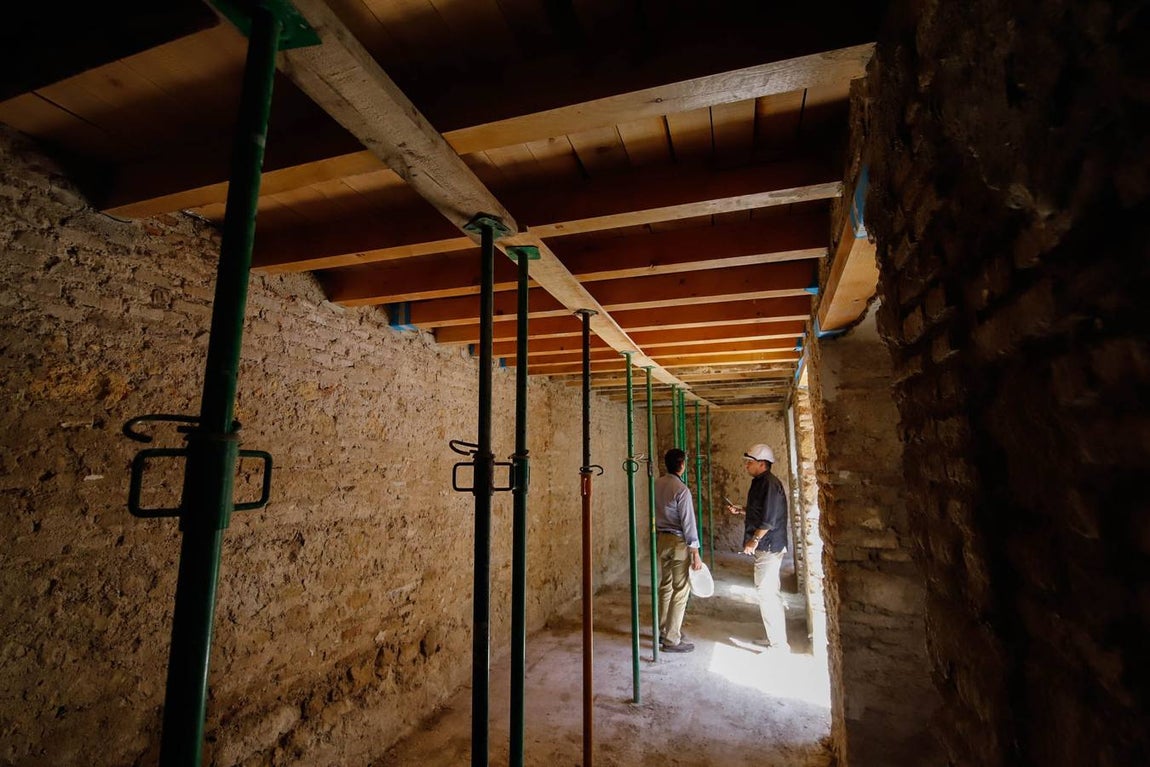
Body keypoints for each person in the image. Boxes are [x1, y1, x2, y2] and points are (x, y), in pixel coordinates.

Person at [727, 443, 790, 653]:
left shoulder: (770, 485)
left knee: (768, 593)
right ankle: (774, 639)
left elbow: (769, 520)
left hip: (770, 546)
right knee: (767, 592)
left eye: (750, 463)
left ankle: (779, 645)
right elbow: (760, 511)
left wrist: (753, 541)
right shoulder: (760, 483)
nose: (746, 466)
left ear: (762, 464)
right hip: (767, 546)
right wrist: (741, 510)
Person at [654, 448, 703, 653]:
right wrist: (695, 551)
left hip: (662, 539)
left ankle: (662, 629)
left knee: (665, 585)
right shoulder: (681, 489)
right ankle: (672, 638)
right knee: (681, 589)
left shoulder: (657, 484)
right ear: (682, 465)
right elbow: (688, 522)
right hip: (678, 542)